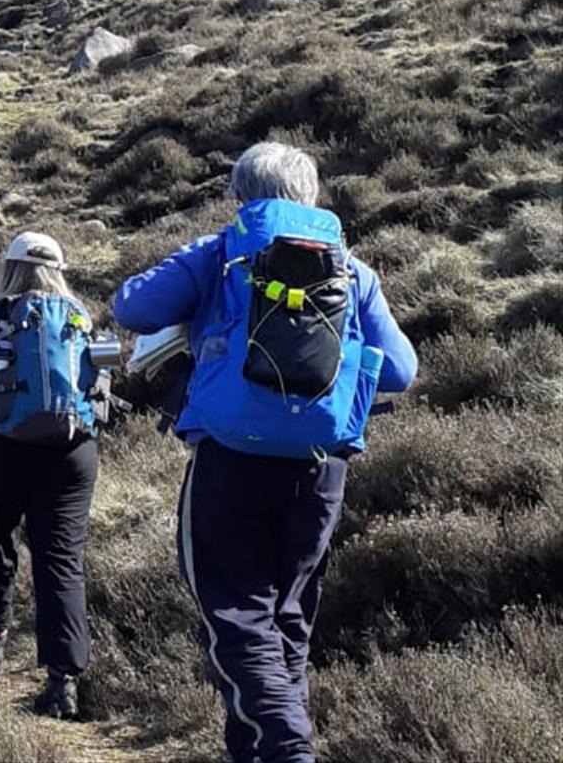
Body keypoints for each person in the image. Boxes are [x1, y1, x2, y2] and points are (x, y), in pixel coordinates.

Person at [114, 141, 418, 763]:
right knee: (288, 621)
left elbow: (131, 306)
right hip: (319, 468)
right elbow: (402, 372)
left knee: (236, 615)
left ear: (240, 195)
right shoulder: (352, 271)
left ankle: (287, 751)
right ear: (311, 195)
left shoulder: (222, 254)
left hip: (230, 461)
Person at [0, 232, 103, 720]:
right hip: (73, 452)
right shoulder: (82, 318)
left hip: (0, 447)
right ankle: (63, 681)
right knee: (61, 559)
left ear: (8, 269)